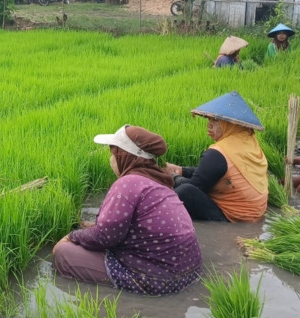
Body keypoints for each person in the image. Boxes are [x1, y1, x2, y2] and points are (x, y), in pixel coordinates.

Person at [52, 125, 202, 296]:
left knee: (63, 253)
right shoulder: (159, 184)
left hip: (157, 280)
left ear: (123, 156)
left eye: (112, 154)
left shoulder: (128, 183)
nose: (110, 159)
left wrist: (71, 236)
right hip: (189, 273)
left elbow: (106, 235)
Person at [166, 91, 268, 222]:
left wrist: (173, 177)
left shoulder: (219, 152)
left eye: (215, 120)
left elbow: (195, 187)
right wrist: (182, 170)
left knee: (185, 191)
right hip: (255, 212)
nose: (209, 125)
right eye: (209, 119)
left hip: (232, 217)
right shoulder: (249, 143)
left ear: (230, 124)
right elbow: (212, 172)